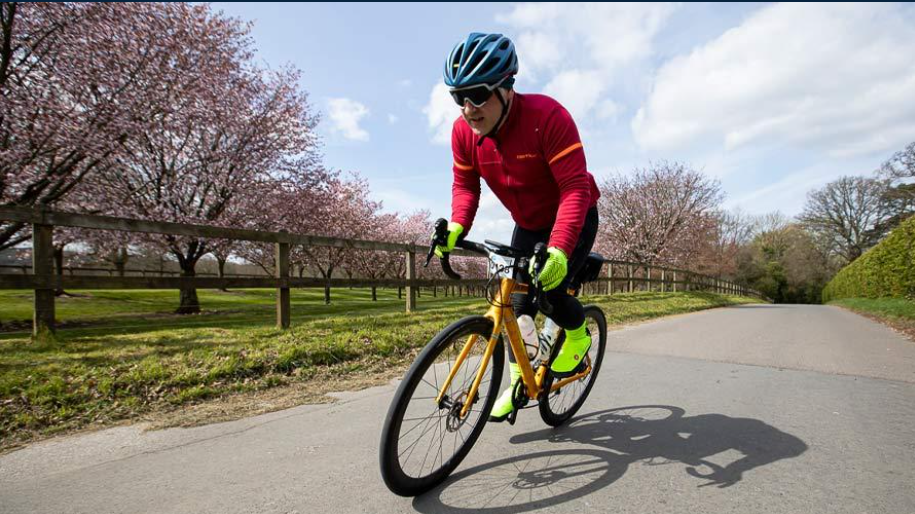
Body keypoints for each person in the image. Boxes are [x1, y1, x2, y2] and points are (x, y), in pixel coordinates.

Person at [432, 32, 601, 422]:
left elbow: (575, 188)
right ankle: (517, 383)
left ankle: (578, 335)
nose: (468, 108)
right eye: (458, 97)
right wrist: (456, 227)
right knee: (515, 308)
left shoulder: (547, 117)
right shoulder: (463, 134)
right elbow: (465, 186)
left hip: (571, 215)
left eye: (477, 94)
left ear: (507, 87)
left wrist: (559, 249)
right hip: (527, 225)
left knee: (550, 292)